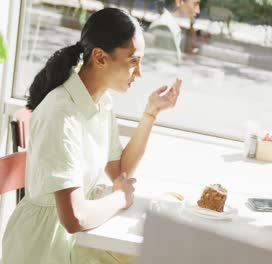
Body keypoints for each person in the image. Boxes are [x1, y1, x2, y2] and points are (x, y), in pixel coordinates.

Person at [2, 8, 181, 264]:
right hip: (43, 249)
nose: (139, 73)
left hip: (75, 240)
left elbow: (120, 170)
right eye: (133, 61)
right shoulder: (61, 114)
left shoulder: (101, 102)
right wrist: (120, 197)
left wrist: (150, 113)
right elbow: (75, 217)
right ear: (99, 57)